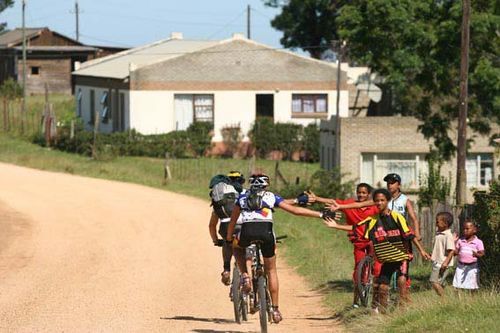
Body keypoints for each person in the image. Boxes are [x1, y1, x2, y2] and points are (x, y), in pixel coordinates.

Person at [226, 173, 329, 324]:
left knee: (236, 247)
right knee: (272, 270)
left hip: (247, 233)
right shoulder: (271, 197)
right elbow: (296, 211)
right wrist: (320, 214)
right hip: (266, 234)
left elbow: (233, 220)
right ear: (266, 185)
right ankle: (275, 309)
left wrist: (229, 238)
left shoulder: (241, 198)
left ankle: (245, 276)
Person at [308, 183, 382, 308]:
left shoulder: (374, 207)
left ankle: (377, 300)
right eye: (359, 192)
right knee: (358, 269)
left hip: (374, 239)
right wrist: (317, 199)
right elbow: (333, 202)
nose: (361, 195)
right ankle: (356, 300)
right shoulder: (349, 204)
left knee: (377, 270)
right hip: (358, 239)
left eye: (364, 193)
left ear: (369, 194)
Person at [357, 188, 430, 313]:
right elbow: (355, 227)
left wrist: (422, 251)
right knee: (383, 287)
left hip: (402, 255)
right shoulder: (373, 220)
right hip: (387, 258)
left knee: (401, 280)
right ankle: (384, 314)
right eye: (376, 201)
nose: (379, 203)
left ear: (388, 201)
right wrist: (336, 226)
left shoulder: (397, 217)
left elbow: (410, 235)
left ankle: (403, 309)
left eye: (382, 200)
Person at [329, 173, 422, 241]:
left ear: (399, 185)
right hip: (384, 230)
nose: (390, 185)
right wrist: (340, 206)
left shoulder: (405, 200)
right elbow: (360, 204)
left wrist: (417, 233)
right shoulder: (382, 198)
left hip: (399, 230)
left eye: (392, 183)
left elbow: (413, 218)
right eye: (388, 183)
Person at [209, 171, 245, 285]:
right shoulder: (244, 193)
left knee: (227, 242)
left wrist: (215, 240)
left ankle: (226, 270)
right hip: (243, 225)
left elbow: (212, 225)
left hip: (225, 226)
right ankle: (250, 273)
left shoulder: (220, 199)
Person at [441, 219, 484, 292]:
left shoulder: (478, 242)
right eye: (463, 229)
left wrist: (476, 254)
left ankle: (472, 299)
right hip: (460, 266)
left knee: (472, 285)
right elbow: (455, 252)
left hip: (472, 267)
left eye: (467, 229)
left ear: (474, 230)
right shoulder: (460, 240)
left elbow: (482, 254)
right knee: (457, 285)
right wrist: (454, 242)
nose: (465, 231)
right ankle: (459, 300)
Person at [429, 212, 456, 296]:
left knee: (434, 281)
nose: (436, 223)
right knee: (440, 282)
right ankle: (443, 301)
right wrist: (432, 255)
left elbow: (451, 251)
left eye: (438, 221)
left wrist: (445, 263)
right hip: (437, 262)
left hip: (442, 263)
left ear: (445, 224)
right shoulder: (439, 234)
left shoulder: (448, 235)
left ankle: (443, 300)